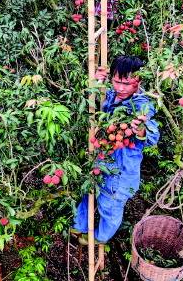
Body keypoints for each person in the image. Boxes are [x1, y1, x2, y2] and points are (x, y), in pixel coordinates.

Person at [71, 55, 160, 245]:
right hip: (100, 162)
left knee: (109, 207)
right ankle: (80, 225)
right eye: (116, 81)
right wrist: (95, 83)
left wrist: (141, 129)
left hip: (121, 174)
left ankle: (100, 237)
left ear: (139, 81)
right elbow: (95, 104)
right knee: (88, 194)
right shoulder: (111, 95)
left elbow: (152, 136)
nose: (120, 88)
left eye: (127, 83)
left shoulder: (142, 106)